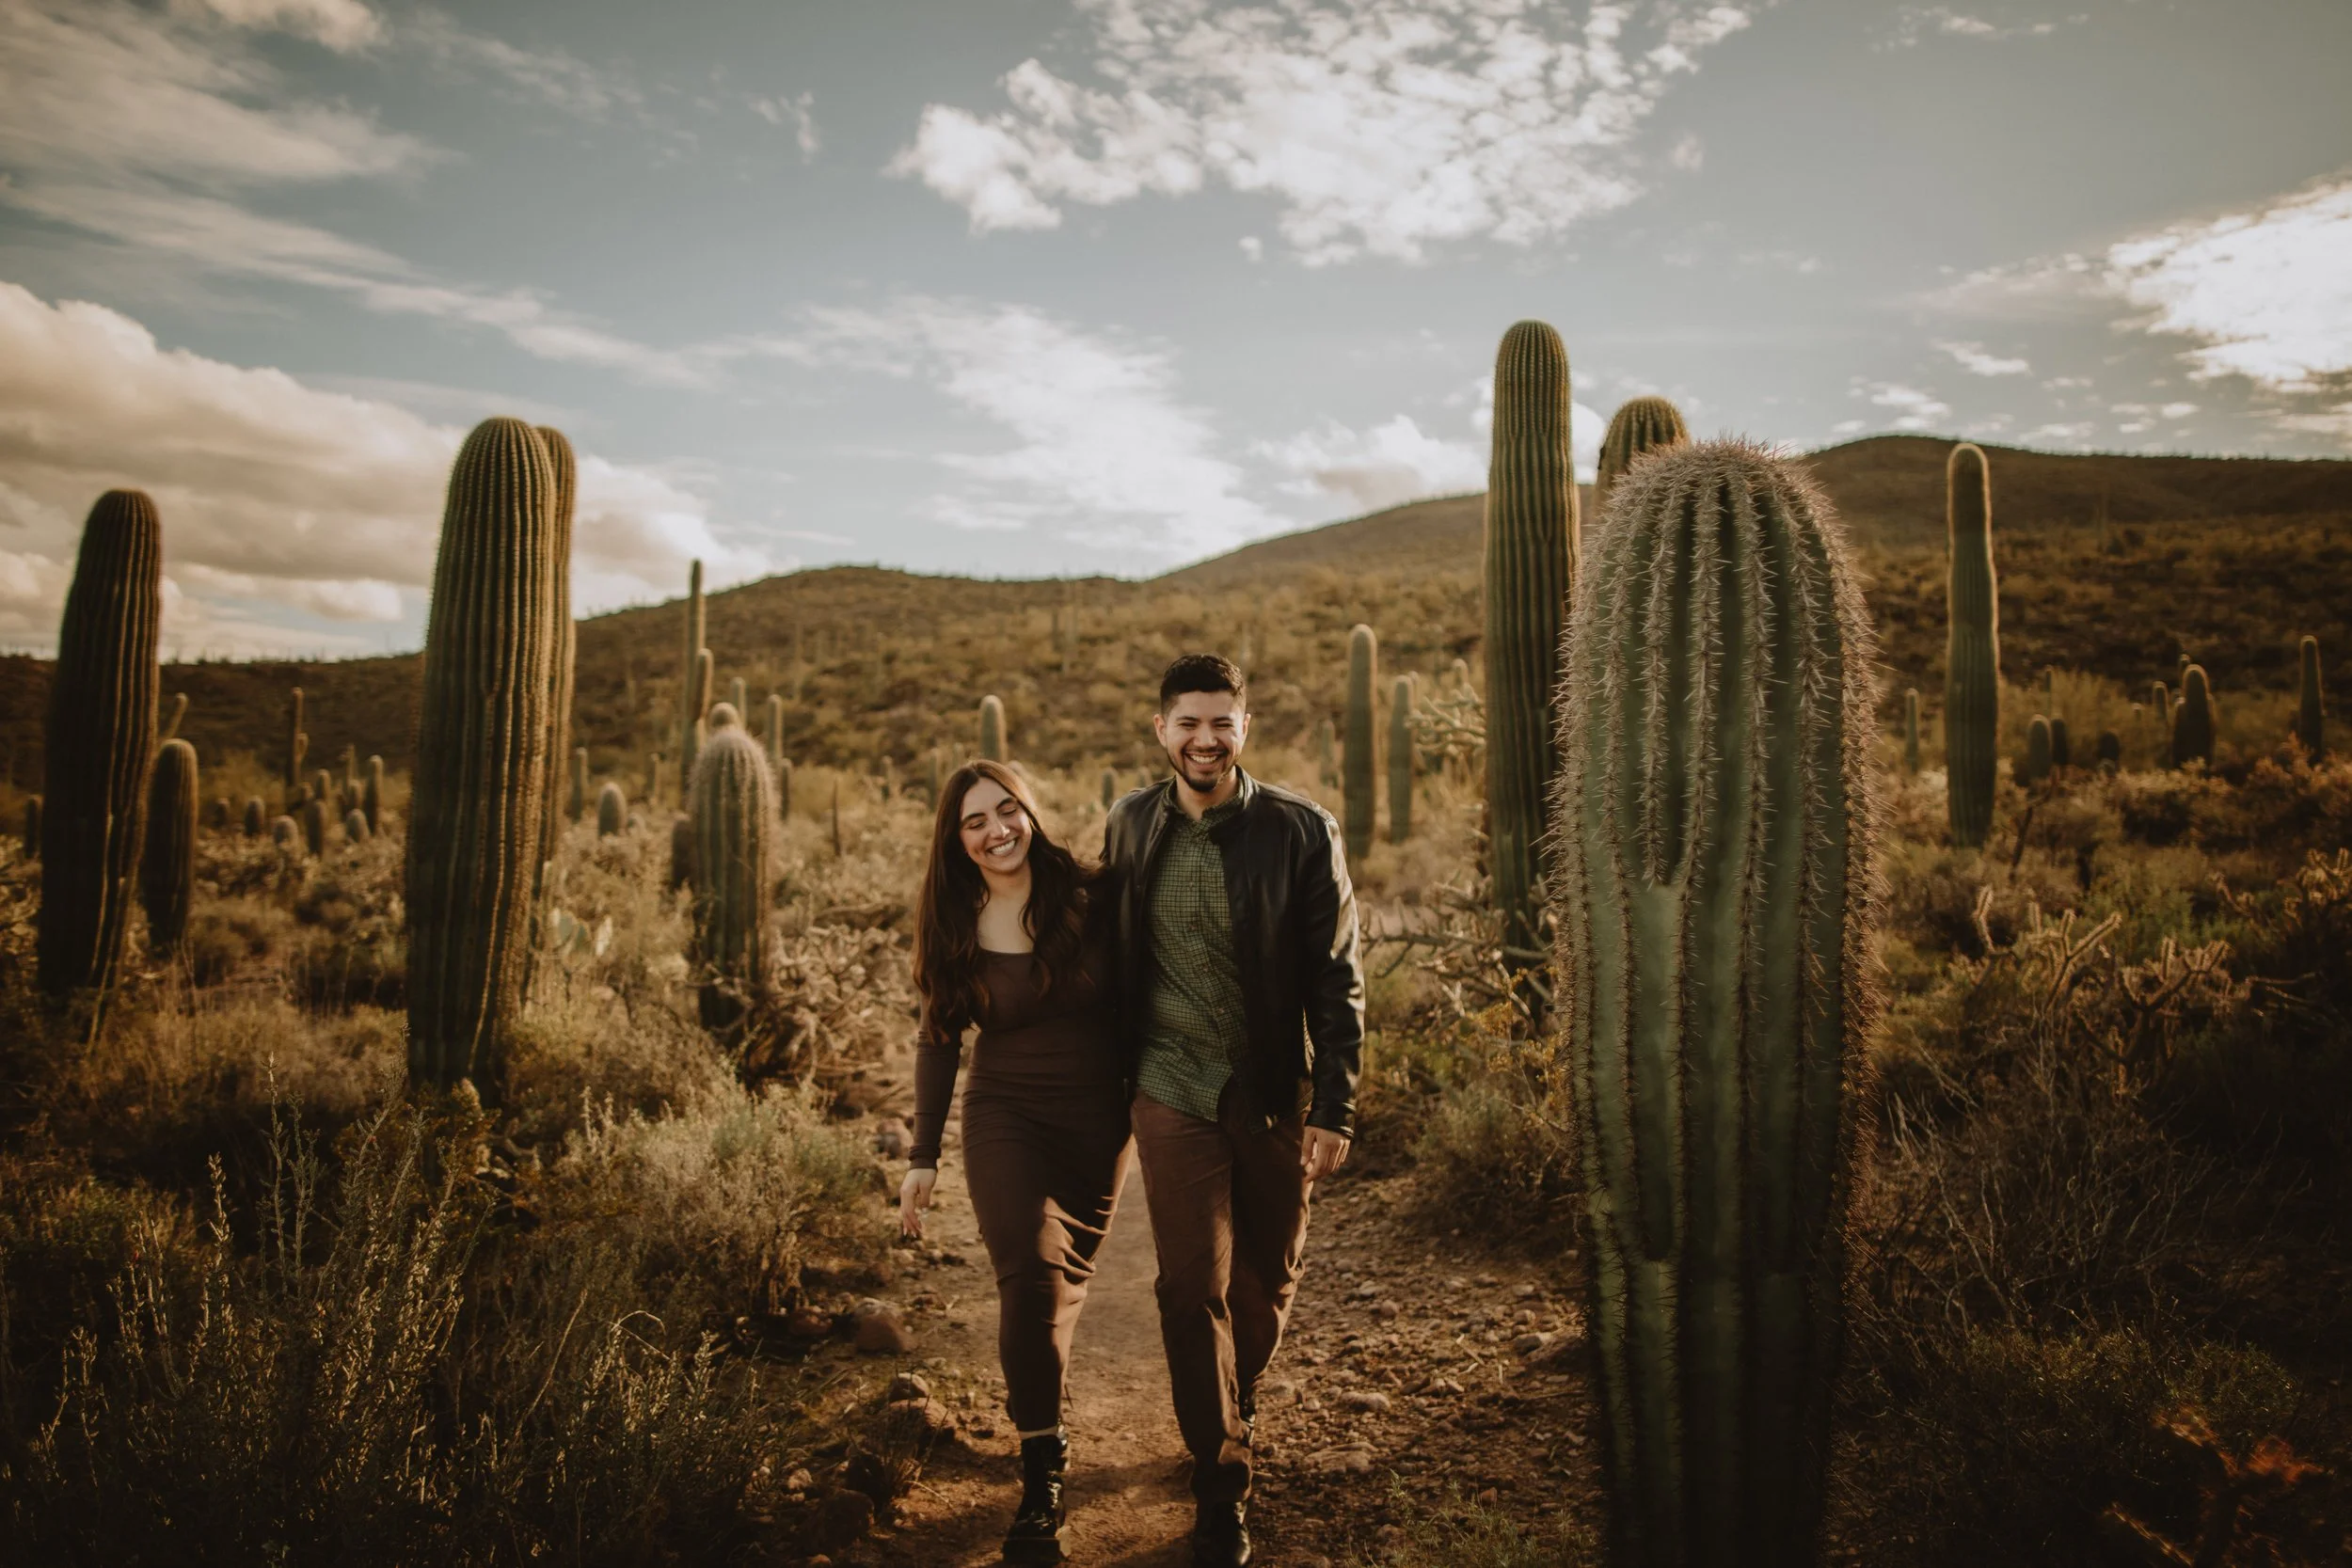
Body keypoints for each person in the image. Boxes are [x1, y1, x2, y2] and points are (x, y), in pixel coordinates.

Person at [1103, 653, 1364, 1568]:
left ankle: (1235, 1385)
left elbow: (1337, 981)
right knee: (1189, 1285)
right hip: (1168, 1087)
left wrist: (1333, 1103)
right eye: (1187, 722)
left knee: (1269, 1275)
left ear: (1243, 727)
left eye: (1221, 722)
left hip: (1266, 1092)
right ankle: (1219, 1478)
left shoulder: (1299, 830)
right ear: (1160, 728)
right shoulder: (1130, 825)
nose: (1204, 739)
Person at [902, 759, 1133, 1565]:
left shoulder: (1094, 897)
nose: (996, 830)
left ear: (1030, 813)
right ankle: (1043, 1479)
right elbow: (938, 1040)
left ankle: (1043, 1399)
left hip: (1097, 1127)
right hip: (1005, 1116)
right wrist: (921, 1155)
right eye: (975, 821)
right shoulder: (951, 921)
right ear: (956, 839)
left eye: (1007, 811)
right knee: (1029, 1278)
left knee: (1065, 1281)